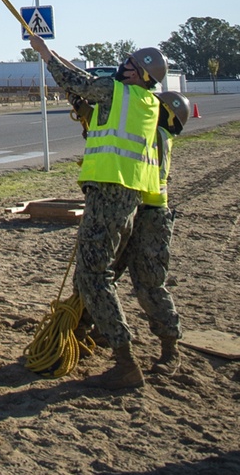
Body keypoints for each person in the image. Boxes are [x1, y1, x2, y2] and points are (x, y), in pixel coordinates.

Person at [29, 35, 164, 390]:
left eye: (131, 63)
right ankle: (87, 333)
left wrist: (44, 54)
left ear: (141, 74)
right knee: (93, 272)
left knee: (92, 275)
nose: (124, 65)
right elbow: (87, 88)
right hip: (124, 195)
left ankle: (124, 357)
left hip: (109, 192)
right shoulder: (143, 101)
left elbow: (78, 82)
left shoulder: (119, 92)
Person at [117, 89, 189, 372]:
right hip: (133, 210)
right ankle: (98, 330)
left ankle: (170, 348)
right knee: (102, 276)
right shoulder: (154, 132)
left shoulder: (156, 136)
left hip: (150, 216)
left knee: (149, 285)